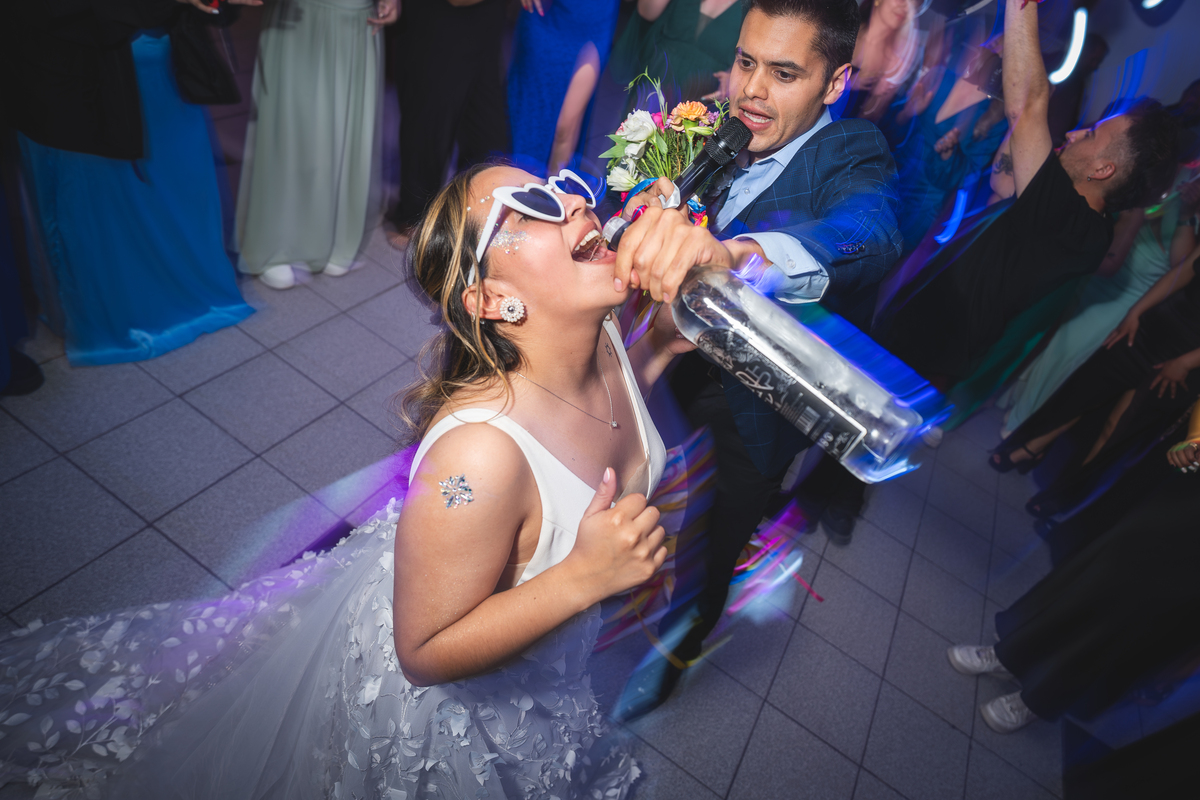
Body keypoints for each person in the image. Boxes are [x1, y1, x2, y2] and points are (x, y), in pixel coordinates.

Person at [0, 163, 694, 798]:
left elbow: (609, 415)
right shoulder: (477, 459)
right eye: (532, 205)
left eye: (565, 186)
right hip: (460, 708)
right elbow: (423, 652)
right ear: (491, 298)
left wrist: (664, 341)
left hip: (547, 685)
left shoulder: (607, 337)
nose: (575, 201)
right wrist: (579, 579)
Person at [610, 0, 902, 718]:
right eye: (746, 62)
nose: (753, 90)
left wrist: (741, 254)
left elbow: (869, 231)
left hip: (755, 407)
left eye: (784, 73)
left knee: (714, 545)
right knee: (631, 476)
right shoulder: (723, 124)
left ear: (835, 83)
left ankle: (677, 649)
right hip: (666, 362)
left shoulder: (855, 151)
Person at [873, 0, 1180, 390]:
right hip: (916, 328)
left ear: (1104, 170)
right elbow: (1004, 181)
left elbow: (1028, 106)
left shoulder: (1076, 227)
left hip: (926, 352)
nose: (1073, 133)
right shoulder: (1064, 210)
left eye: (1090, 134)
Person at [8, 0, 257, 366]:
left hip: (162, 66)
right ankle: (121, 318)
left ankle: (188, 296)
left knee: (177, 194)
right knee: (99, 206)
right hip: (81, 75)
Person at [947, 399, 1200, 735]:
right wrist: (1195, 438)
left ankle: (1040, 700)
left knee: (1142, 617)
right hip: (1188, 492)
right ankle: (1012, 655)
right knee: (1100, 570)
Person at [989, 243, 1200, 518]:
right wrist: (1136, 311)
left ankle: (1063, 492)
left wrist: (1186, 362)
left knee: (1117, 427)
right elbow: (1182, 271)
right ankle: (1032, 446)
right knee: (1084, 391)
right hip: (1156, 326)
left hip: (1188, 358)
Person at [1000, 170, 1199, 435]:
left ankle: (1021, 424)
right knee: (1049, 340)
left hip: (1128, 294)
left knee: (1067, 353)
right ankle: (1016, 403)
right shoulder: (1179, 174)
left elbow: (1182, 269)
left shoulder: (1193, 211)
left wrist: (1186, 215)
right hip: (1100, 271)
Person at [235, 0, 397, 290]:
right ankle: (278, 244)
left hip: (359, 15)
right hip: (302, 14)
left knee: (348, 123)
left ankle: (334, 237)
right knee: (293, 123)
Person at [386, 0, 510, 242]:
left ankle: (469, 215)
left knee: (487, 133)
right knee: (430, 121)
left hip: (485, 20)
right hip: (440, 19)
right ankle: (414, 216)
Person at [507, 0, 619, 176]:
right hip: (547, 15)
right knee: (531, 113)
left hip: (594, 17)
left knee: (565, 129)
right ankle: (518, 181)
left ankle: (554, 189)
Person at [609, 0, 745, 107]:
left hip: (704, 95)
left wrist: (736, 74)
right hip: (657, 80)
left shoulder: (753, 6)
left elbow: (753, 54)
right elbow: (646, 12)